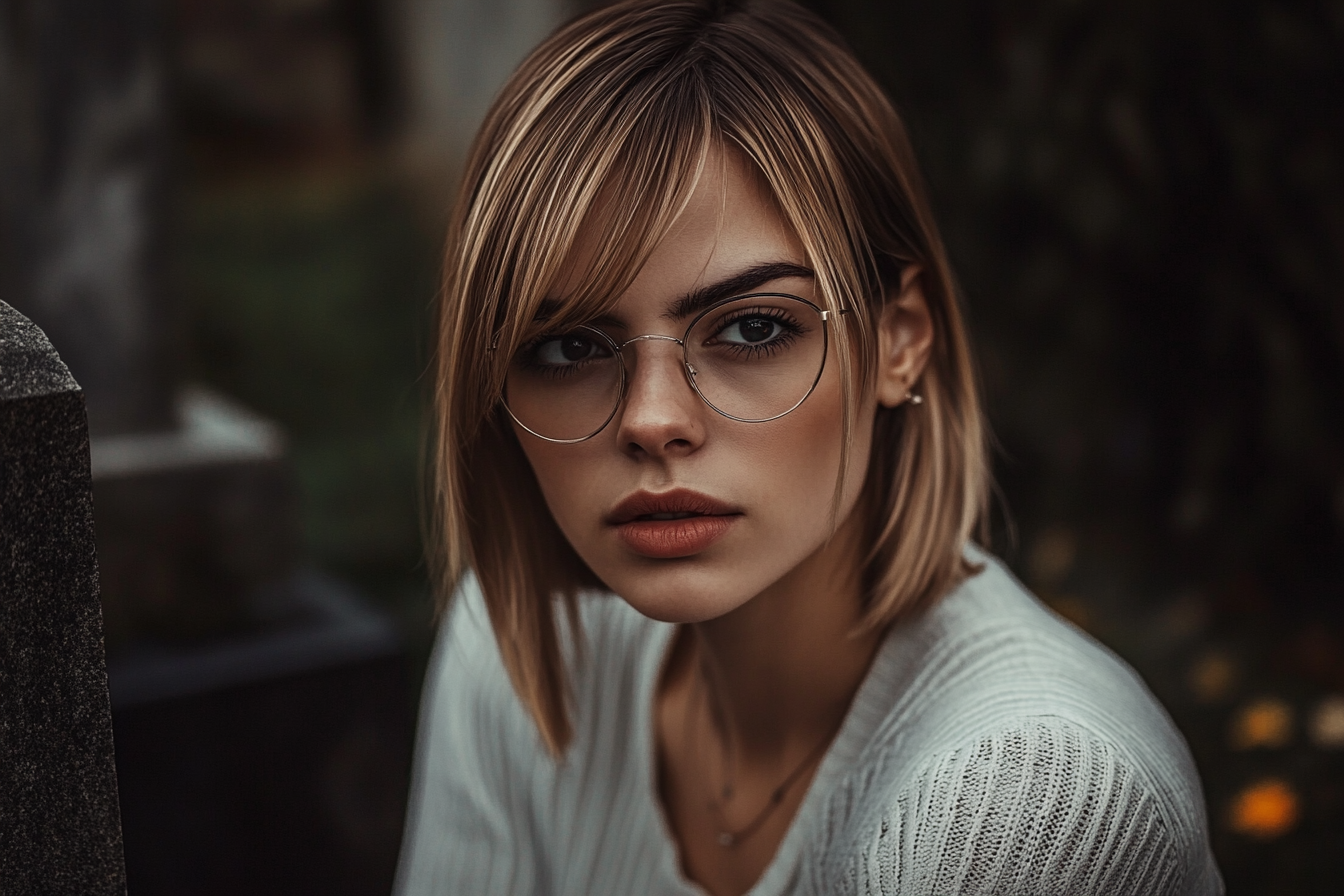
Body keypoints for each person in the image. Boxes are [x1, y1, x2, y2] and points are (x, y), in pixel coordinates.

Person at [395, 1, 1223, 893]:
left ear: (901, 339)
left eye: (751, 327)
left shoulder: (1031, 797)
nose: (650, 419)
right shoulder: (519, 654)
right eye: (566, 348)